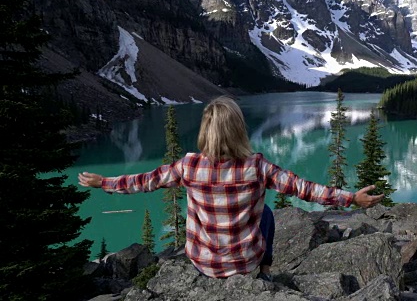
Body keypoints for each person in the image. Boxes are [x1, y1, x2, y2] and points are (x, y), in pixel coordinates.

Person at [78, 96, 384, 281]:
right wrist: (351, 198)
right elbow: (305, 189)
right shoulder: (257, 167)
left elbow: (145, 181)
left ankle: (226, 266)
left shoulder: (189, 166)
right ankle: (264, 270)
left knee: (208, 217)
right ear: (239, 129)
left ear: (204, 131)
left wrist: (104, 182)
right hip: (243, 261)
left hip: (203, 262)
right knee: (266, 213)